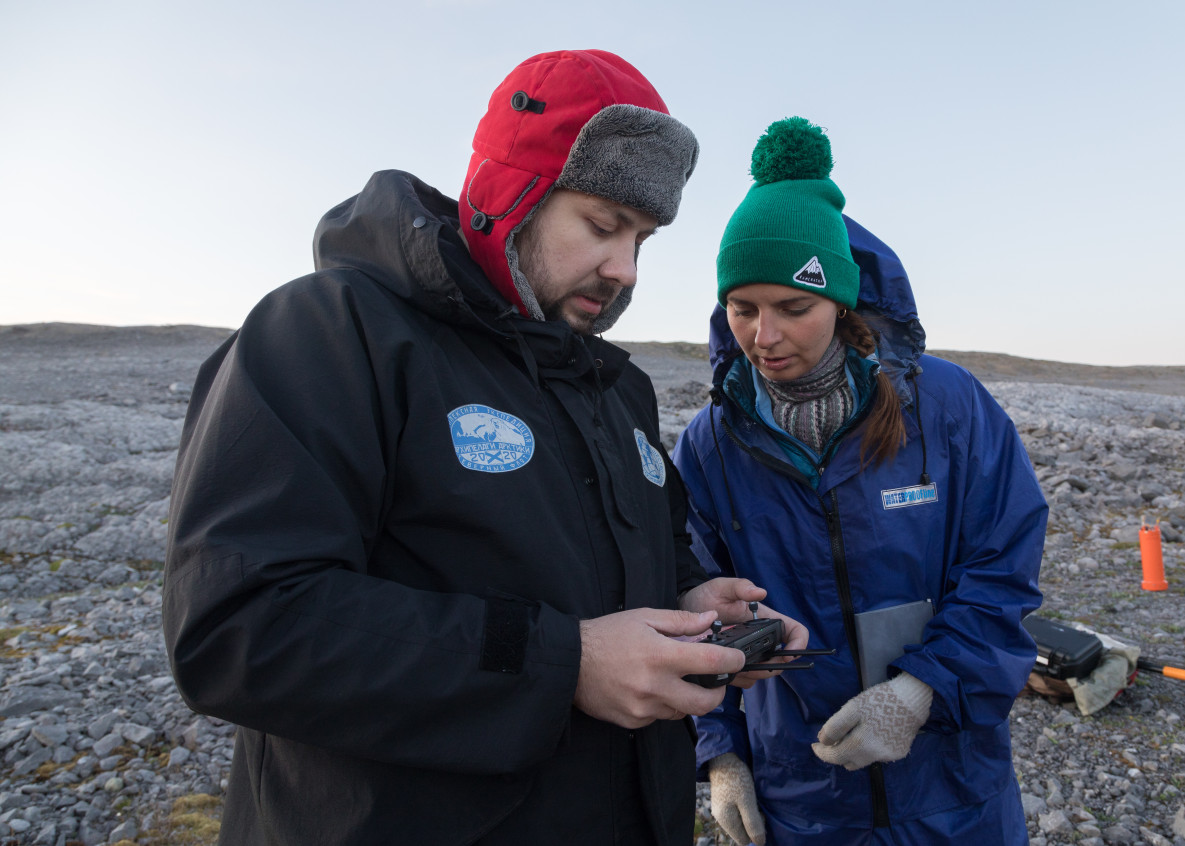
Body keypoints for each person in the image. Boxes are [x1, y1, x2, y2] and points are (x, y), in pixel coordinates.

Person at [162, 50, 808, 846]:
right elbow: (238, 624)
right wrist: (562, 664)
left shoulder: (614, 388)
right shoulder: (331, 334)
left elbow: (639, 559)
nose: (625, 268)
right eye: (603, 226)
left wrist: (689, 602)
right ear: (514, 193)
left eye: (642, 237)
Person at [671, 117, 1047, 845]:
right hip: (803, 797)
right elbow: (688, 600)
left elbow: (1004, 567)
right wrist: (720, 756)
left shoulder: (948, 406)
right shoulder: (710, 446)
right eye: (743, 309)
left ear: (840, 303)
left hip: (953, 786)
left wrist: (921, 691)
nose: (764, 337)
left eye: (793, 308)